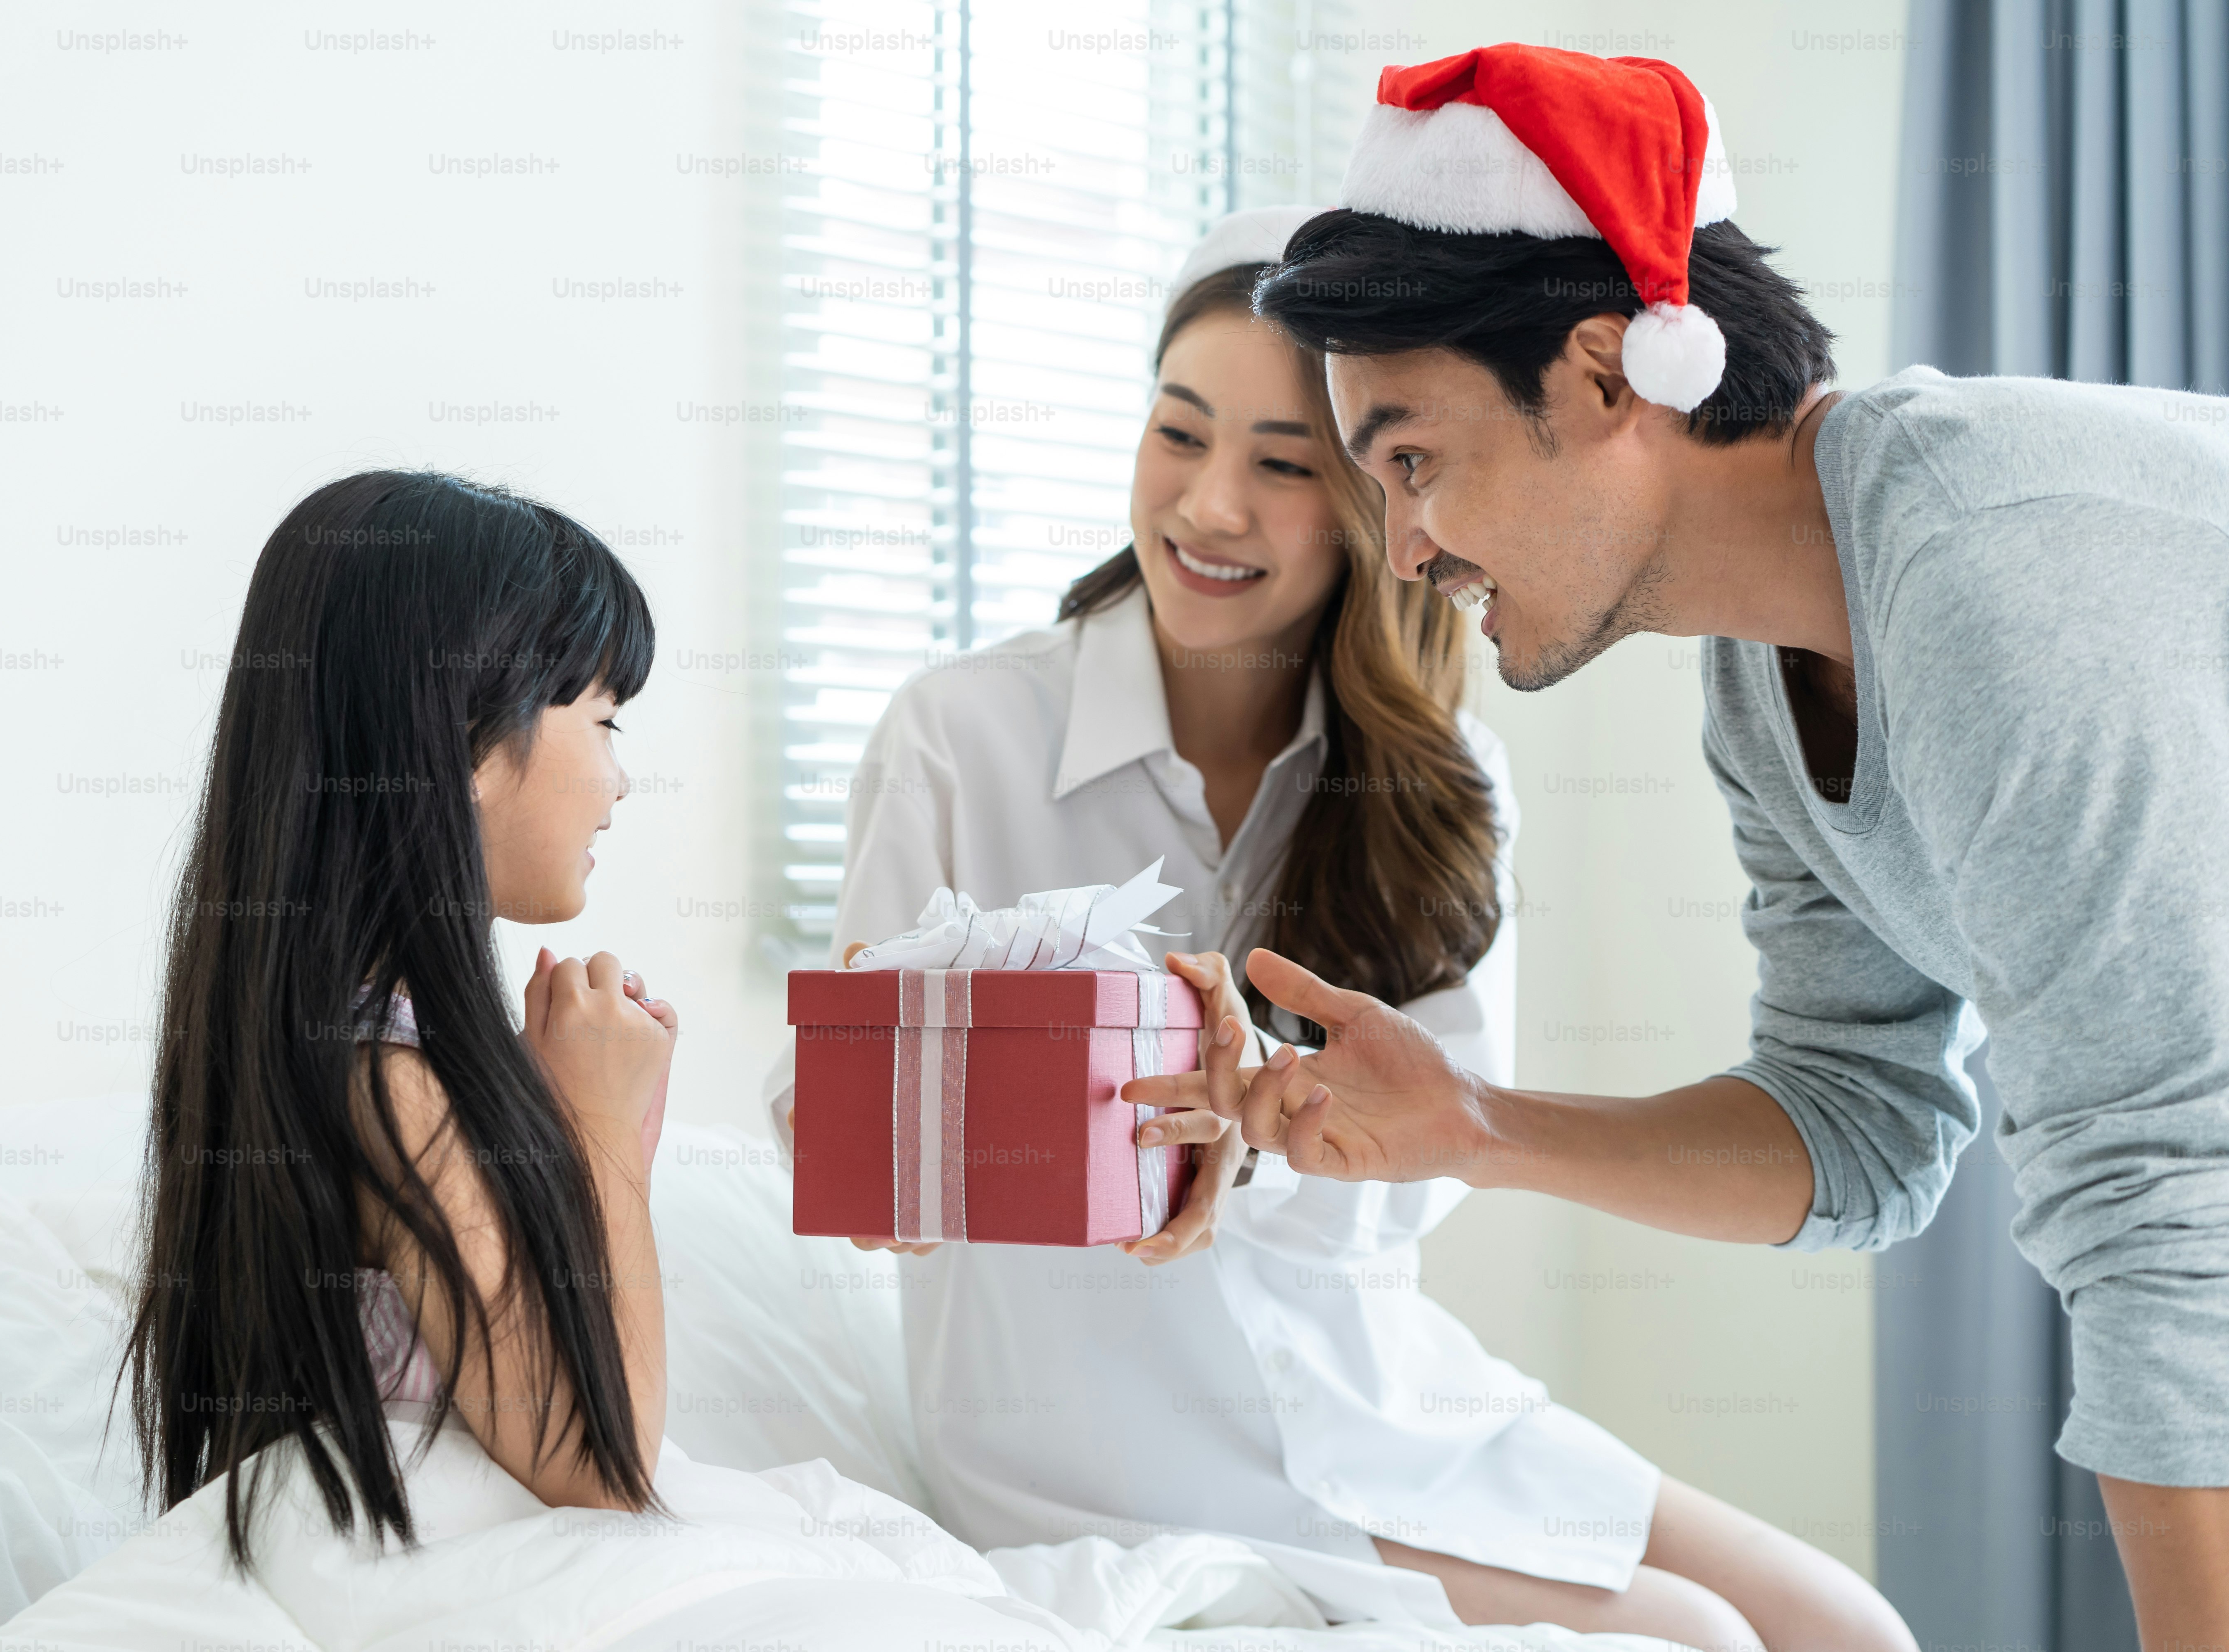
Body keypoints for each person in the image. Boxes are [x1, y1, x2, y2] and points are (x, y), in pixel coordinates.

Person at [1125, 44, 2229, 1651]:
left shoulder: (1984, 587)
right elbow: (1860, 1129)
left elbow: (2165, 1213)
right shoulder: (1766, 672)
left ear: (1602, 373)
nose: (1408, 546)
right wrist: (1476, 1126)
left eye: (1414, 460)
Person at [776, 209, 1911, 1650]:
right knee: (1700, 1637)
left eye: (1282, 465)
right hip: (1111, 1440)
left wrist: (1269, 1121)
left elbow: (1435, 1168)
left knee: (1853, 1629)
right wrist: (912, 1110)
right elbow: (822, 1107)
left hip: (1379, 1381)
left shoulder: (1443, 778)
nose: (1209, 507)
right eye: (1178, 436)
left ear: (1387, 499)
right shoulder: (964, 737)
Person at [128, 470, 679, 1559]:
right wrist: (607, 1138)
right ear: (467, 734)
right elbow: (605, 1465)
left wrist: (572, 1129)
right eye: (608, 721)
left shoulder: (344, 1043)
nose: (624, 782)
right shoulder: (388, 1082)